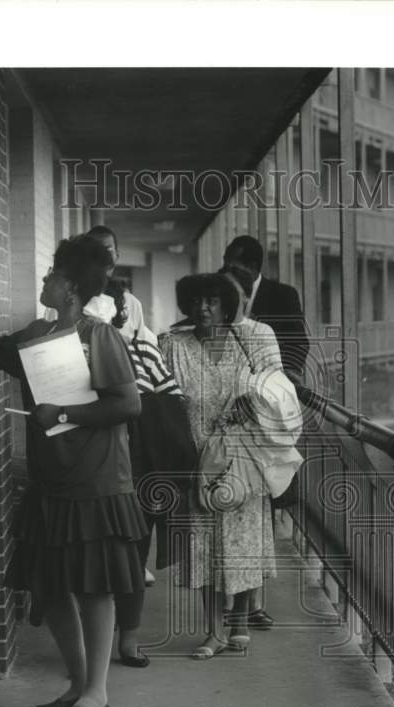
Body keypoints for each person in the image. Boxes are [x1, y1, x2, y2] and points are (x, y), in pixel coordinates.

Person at [0, 235, 149, 707]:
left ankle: (98, 693)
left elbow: (128, 404)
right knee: (52, 586)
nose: (43, 280)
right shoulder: (34, 337)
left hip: (96, 482)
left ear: (71, 289)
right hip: (51, 483)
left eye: (52, 275)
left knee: (93, 589)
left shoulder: (97, 336)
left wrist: (63, 410)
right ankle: (78, 683)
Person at [160, 273, 283, 658]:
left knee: (243, 543)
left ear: (227, 306)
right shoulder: (172, 345)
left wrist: (256, 403)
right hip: (197, 464)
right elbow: (158, 402)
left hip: (243, 460)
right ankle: (214, 633)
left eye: (212, 301)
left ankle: (240, 622)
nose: (203, 308)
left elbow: (278, 392)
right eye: (196, 301)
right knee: (205, 548)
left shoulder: (249, 344)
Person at [220, 236, 311, 630]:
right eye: (227, 266)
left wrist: (267, 388)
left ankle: (252, 603)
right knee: (227, 509)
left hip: (265, 419)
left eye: (237, 269)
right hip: (225, 417)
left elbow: (297, 349)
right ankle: (235, 602)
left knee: (261, 512)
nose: (230, 275)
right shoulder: (217, 290)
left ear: (255, 269)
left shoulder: (282, 296)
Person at [86, 223, 157, 587]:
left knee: (128, 484)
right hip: (87, 402)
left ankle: (132, 558)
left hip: (125, 402)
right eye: (98, 249)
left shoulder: (130, 302)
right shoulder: (75, 297)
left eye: (111, 249)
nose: (106, 256)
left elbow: (144, 350)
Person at [223, 235, 309, 382]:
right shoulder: (221, 290)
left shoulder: (283, 295)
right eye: (225, 263)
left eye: (231, 266)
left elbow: (298, 343)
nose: (225, 270)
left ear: (252, 267)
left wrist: (281, 377)